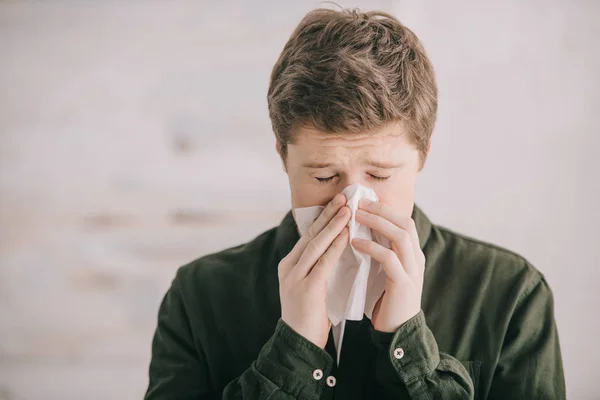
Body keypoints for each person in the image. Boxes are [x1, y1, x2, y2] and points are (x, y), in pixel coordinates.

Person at [144, 7, 565, 400]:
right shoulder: (198, 299)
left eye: (379, 175)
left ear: (422, 156)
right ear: (282, 157)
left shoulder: (511, 297)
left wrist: (410, 347)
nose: (351, 201)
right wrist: (294, 348)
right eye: (324, 176)